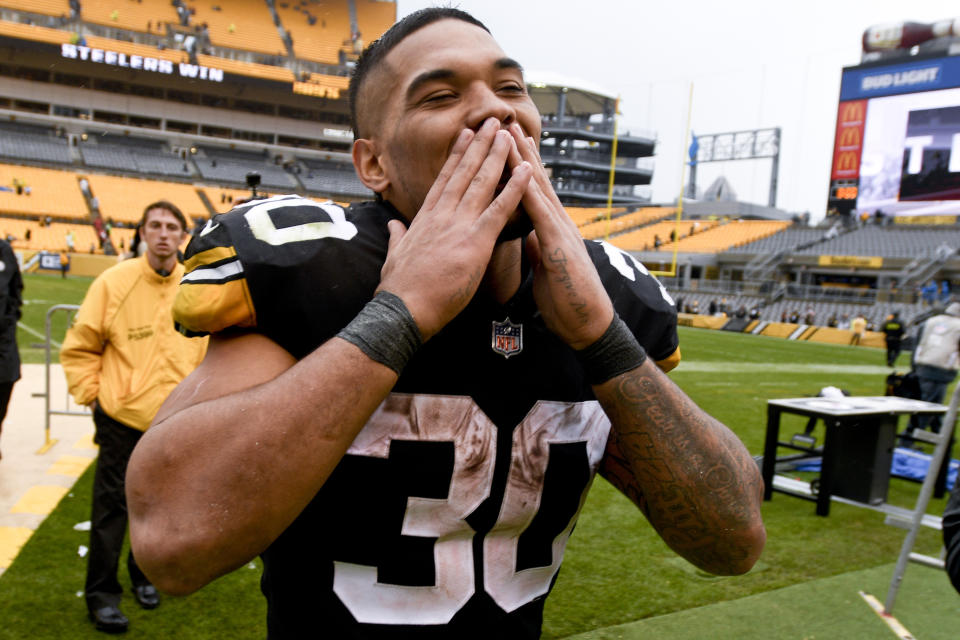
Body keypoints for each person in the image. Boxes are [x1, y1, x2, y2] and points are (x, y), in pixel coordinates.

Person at [126, 10, 765, 639]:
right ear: (373, 164)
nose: (498, 112)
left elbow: (733, 541)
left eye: (512, 88)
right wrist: (398, 316)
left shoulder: (608, 298)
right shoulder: (325, 274)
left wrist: (604, 340)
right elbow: (172, 544)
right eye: (440, 95)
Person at [61, 201, 208, 634]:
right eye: (155, 226)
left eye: (172, 227)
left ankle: (144, 576)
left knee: (162, 511)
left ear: (183, 236)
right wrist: (94, 398)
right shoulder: (114, 282)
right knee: (111, 510)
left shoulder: (198, 286)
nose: (163, 234)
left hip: (176, 423)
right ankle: (102, 595)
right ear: (143, 232)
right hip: (121, 419)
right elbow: (80, 347)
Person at [908, 302, 960, 437]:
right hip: (942, 369)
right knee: (929, 405)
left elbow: (918, 343)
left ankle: (939, 434)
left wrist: (914, 366)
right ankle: (909, 438)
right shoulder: (958, 326)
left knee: (931, 402)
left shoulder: (930, 322)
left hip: (923, 366)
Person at [0, 239, 22, 461]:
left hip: (3, 342)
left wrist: (9, 318)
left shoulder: (4, 250)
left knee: (5, 385)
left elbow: (16, 289)